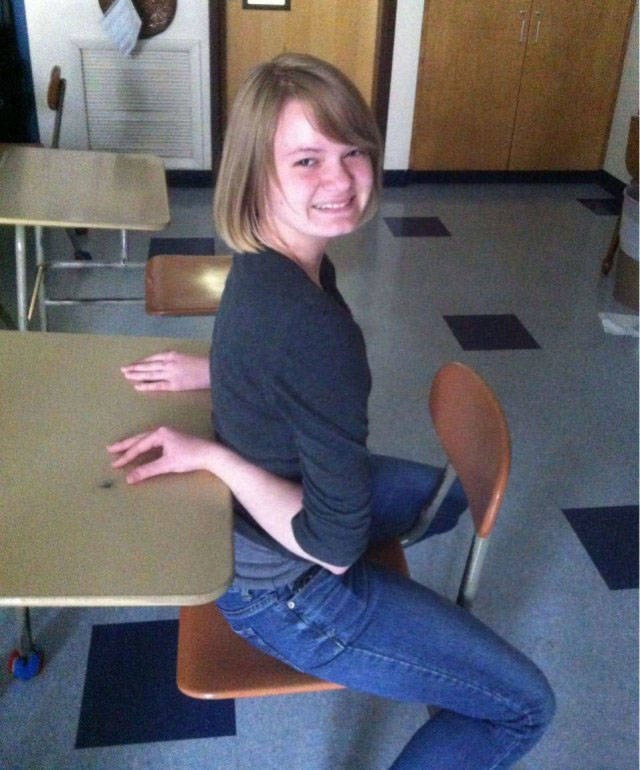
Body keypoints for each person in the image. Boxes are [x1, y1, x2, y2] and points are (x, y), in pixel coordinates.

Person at [108, 53, 554, 769]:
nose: (342, 180)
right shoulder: (314, 330)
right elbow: (332, 545)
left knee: (438, 500)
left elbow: (274, 357)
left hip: (252, 526)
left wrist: (221, 372)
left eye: (353, 153)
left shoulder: (267, 261)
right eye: (307, 160)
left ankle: (427, 643)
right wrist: (214, 455)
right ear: (255, 174)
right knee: (525, 706)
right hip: (285, 592)